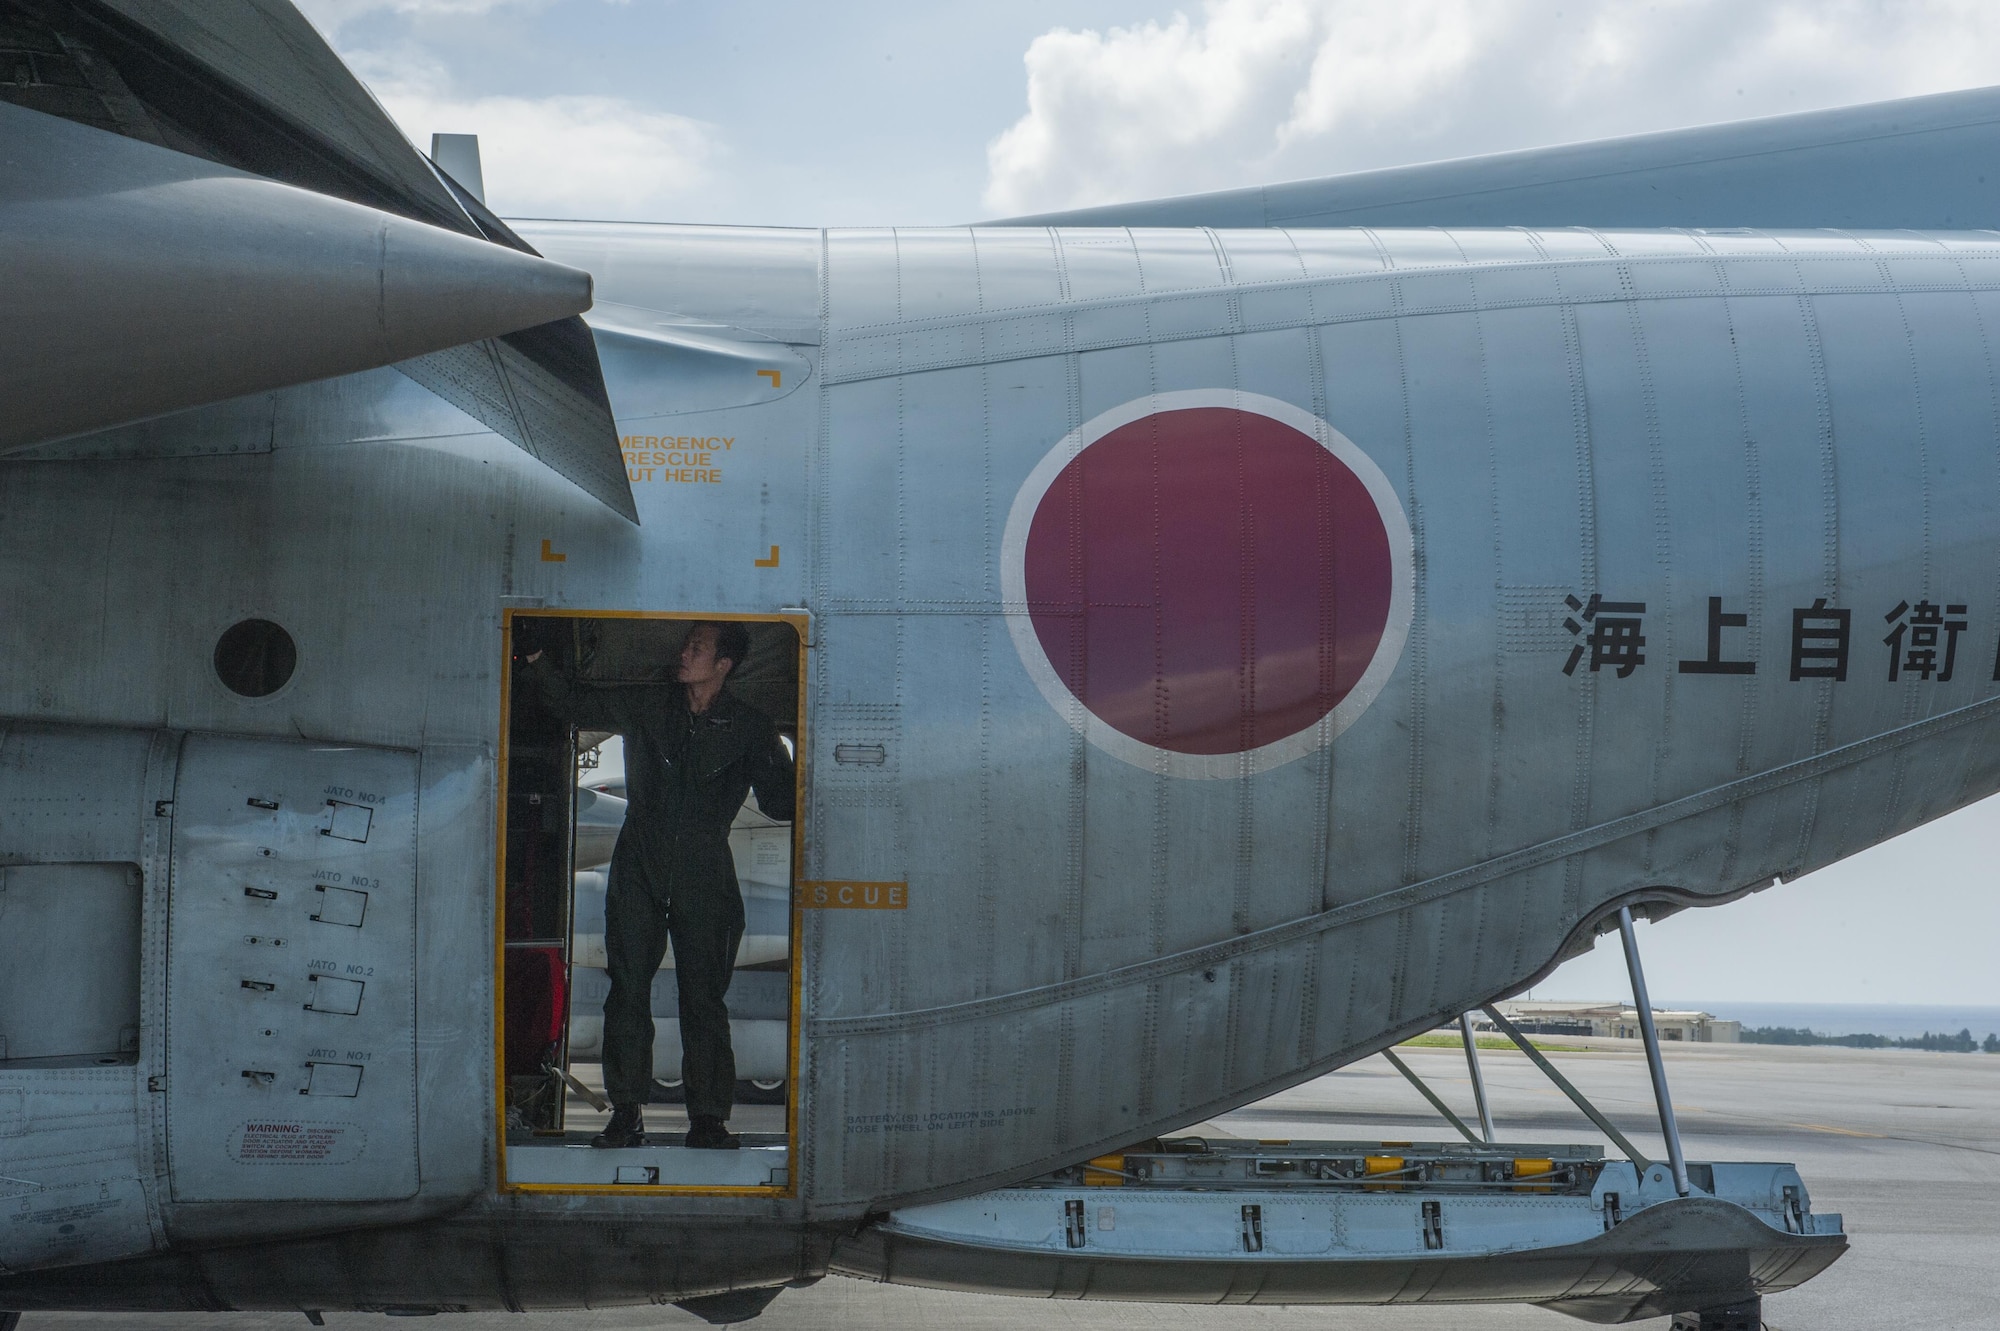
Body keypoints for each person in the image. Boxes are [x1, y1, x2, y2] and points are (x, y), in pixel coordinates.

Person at [520, 621, 795, 1150]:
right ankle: (626, 1114)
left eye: (699, 647)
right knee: (627, 992)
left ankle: (708, 1120)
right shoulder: (649, 705)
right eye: (688, 643)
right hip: (639, 864)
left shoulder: (750, 727)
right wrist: (535, 656)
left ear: (723, 665)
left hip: (705, 871)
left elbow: (782, 802)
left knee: (704, 1000)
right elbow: (573, 704)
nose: (685, 652)